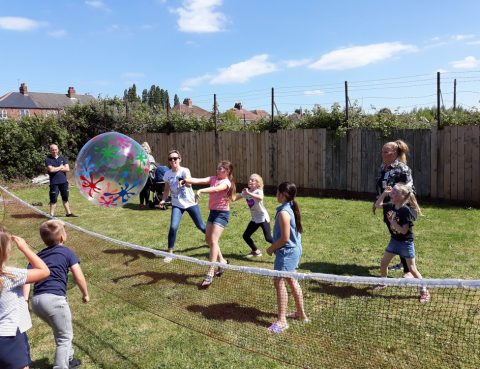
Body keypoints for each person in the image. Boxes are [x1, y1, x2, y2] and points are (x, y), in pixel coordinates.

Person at [23, 220, 90, 369]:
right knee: (64, 337)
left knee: (60, 330)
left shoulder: (38, 256)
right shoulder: (67, 252)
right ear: (62, 238)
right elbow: (78, 275)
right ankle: (61, 366)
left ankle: (69, 359)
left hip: (37, 302)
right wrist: (85, 294)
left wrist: (25, 300)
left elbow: (27, 278)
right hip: (54, 301)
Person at [0, 228, 50, 369]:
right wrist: (24, 248)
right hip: (9, 335)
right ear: (5, 252)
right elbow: (44, 271)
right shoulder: (9, 276)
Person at [182, 160, 236, 287]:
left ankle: (210, 272)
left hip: (222, 214)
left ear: (227, 172)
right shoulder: (213, 178)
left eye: (221, 169)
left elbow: (216, 189)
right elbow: (199, 180)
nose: (218, 170)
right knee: (209, 239)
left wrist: (200, 191)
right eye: (217, 168)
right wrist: (186, 180)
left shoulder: (226, 182)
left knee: (213, 240)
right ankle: (222, 262)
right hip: (213, 213)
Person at [374, 184, 430, 303]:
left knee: (413, 269)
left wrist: (393, 222)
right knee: (383, 264)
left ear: (402, 196)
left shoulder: (405, 210)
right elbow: (377, 205)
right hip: (394, 241)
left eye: (394, 192)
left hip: (406, 243)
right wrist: (384, 193)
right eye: (392, 191)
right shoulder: (391, 205)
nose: (391, 193)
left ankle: (424, 290)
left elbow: (404, 230)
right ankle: (384, 282)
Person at [266, 182, 308, 333]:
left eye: (277, 192)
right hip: (293, 251)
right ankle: (301, 314)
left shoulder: (284, 212)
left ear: (282, 194)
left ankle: (282, 321)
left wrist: (271, 248)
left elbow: (285, 238)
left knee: (278, 281)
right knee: (291, 279)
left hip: (286, 253)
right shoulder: (290, 207)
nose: (275, 194)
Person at [374, 139, 415, 277]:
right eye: (382, 151)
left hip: (401, 207)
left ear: (394, 153)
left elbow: (409, 188)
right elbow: (381, 187)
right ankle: (404, 263)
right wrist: (379, 200)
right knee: (394, 232)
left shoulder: (402, 169)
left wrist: (402, 205)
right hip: (388, 206)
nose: (382, 154)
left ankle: (408, 270)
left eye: (386, 151)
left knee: (402, 234)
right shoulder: (383, 167)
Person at [159, 150, 206, 263]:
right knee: (173, 227)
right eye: (170, 159)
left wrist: (183, 182)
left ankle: (213, 240)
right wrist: (163, 200)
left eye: (175, 158)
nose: (173, 160)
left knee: (201, 226)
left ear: (180, 159)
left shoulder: (185, 170)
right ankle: (170, 253)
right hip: (177, 205)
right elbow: (166, 190)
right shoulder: (167, 174)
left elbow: (189, 183)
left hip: (190, 203)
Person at [233, 173, 272, 258]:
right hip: (255, 219)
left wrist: (248, 193)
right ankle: (256, 251)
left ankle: (283, 247)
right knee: (246, 236)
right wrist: (230, 190)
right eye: (249, 179)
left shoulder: (258, 191)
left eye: (252, 180)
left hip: (262, 218)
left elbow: (260, 198)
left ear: (258, 183)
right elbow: (234, 198)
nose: (250, 181)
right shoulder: (246, 192)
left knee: (268, 238)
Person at [46, 144, 77, 218]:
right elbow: (51, 169)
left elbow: (67, 169)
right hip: (54, 182)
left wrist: (55, 168)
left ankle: (68, 213)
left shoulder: (62, 158)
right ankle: (51, 215)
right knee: (53, 199)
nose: (54, 151)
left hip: (64, 182)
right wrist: (60, 167)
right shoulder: (48, 159)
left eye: (55, 149)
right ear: (50, 150)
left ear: (58, 150)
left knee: (65, 197)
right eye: (52, 150)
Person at [138, 142, 156, 208]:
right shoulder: (139, 156)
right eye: (143, 149)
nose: (144, 150)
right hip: (141, 175)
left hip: (148, 175)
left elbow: (153, 165)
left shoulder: (150, 157)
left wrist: (149, 169)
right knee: (141, 189)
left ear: (148, 149)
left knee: (147, 189)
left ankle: (147, 202)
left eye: (145, 149)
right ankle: (141, 203)